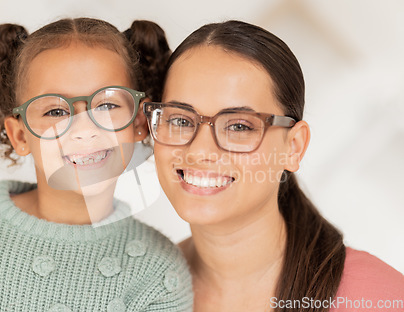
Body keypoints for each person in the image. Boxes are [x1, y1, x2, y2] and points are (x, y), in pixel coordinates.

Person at [0, 18, 192, 311]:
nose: (84, 128)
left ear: (139, 123)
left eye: (106, 105)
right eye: (56, 110)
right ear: (20, 135)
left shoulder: (159, 273)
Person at [144, 20, 404, 311]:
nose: (200, 150)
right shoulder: (135, 291)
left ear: (294, 147)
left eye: (239, 126)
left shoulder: (378, 298)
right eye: (180, 120)